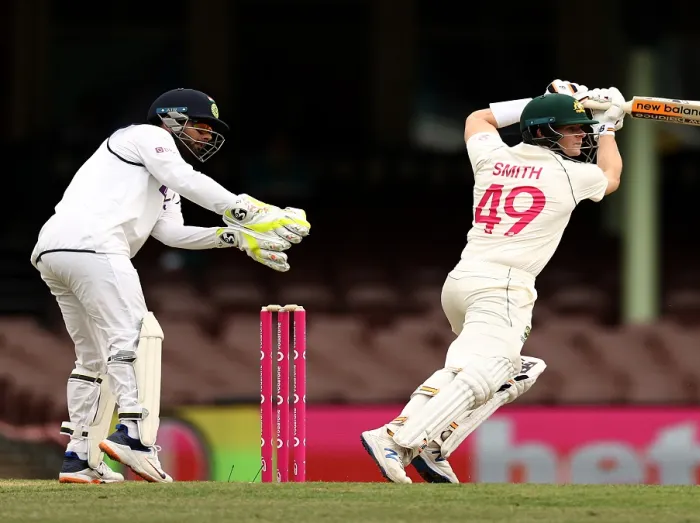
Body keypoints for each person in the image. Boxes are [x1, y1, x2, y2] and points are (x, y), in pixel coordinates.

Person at [32, 88, 312, 483]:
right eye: (200, 128)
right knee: (130, 336)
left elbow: (171, 233)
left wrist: (234, 236)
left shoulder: (162, 176)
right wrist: (250, 211)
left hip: (54, 250)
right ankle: (133, 435)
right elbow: (185, 177)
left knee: (91, 358)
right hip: (95, 245)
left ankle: (79, 456)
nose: (206, 137)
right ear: (173, 119)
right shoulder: (146, 135)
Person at [360, 80, 626, 483]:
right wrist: (608, 127)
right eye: (572, 128)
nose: (581, 135)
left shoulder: (493, 156)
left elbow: (478, 119)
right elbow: (611, 176)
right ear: (544, 131)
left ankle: (435, 446)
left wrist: (547, 100)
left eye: (583, 129)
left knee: (517, 369)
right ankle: (397, 438)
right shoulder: (571, 175)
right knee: (492, 365)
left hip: (461, 281)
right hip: (502, 287)